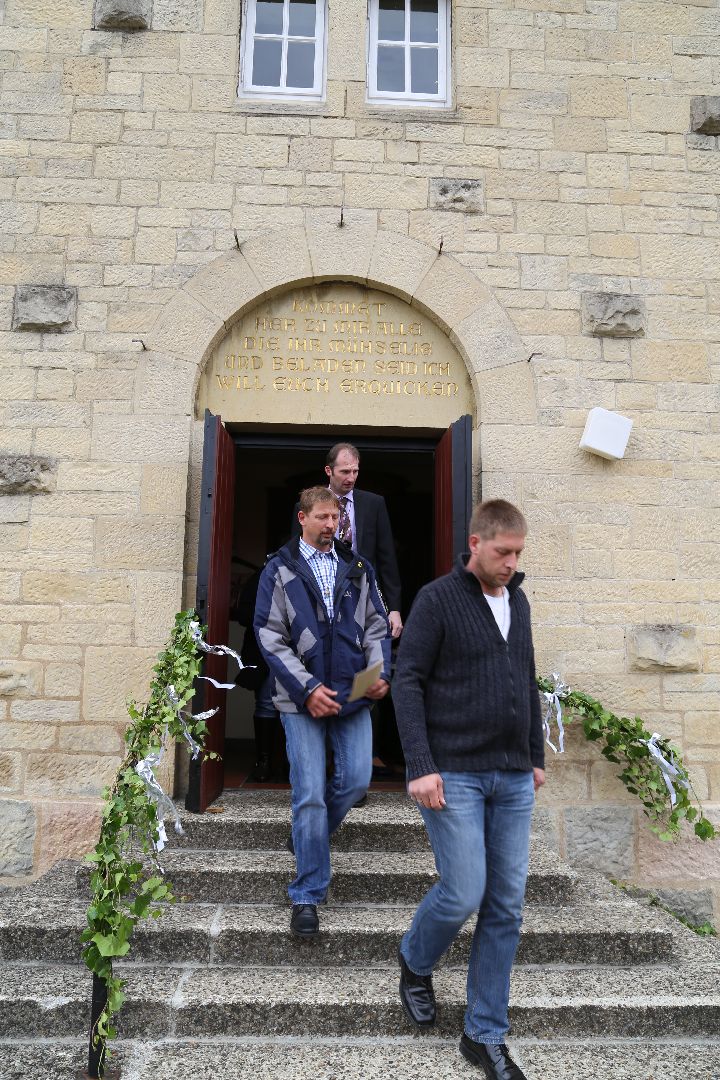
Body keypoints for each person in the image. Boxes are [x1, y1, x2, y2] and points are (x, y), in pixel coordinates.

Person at [392, 499, 545, 1079]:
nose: (511, 563)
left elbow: (524, 677)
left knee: (505, 906)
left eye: (518, 554)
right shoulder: (438, 599)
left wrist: (532, 756)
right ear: (476, 543)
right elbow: (408, 682)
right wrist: (420, 765)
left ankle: (484, 1035)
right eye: (503, 552)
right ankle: (414, 958)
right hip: (452, 770)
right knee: (463, 891)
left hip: (511, 777)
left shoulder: (519, 602)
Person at [254, 485, 391, 937]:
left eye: (337, 518)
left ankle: (306, 837)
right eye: (324, 517)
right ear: (303, 518)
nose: (333, 525)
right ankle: (307, 893)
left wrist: (376, 677)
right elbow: (270, 636)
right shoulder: (279, 570)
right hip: (298, 699)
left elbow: (374, 626)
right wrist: (308, 687)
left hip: (352, 695)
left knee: (354, 782)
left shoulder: (357, 567)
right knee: (309, 793)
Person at [292, 442, 403, 639]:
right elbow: (296, 557)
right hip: (320, 593)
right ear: (329, 470)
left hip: (363, 594)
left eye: (355, 471)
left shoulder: (374, 504)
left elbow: (387, 559)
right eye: (344, 472)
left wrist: (394, 608)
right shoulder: (306, 506)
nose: (351, 478)